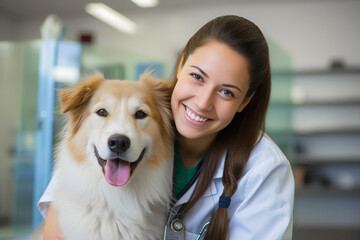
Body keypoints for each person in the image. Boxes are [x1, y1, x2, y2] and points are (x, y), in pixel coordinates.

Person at [38, 15, 294, 240]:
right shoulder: (152, 121)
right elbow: (72, 184)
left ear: (246, 100)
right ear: (181, 65)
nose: (203, 103)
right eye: (197, 77)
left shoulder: (264, 169)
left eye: (226, 92)